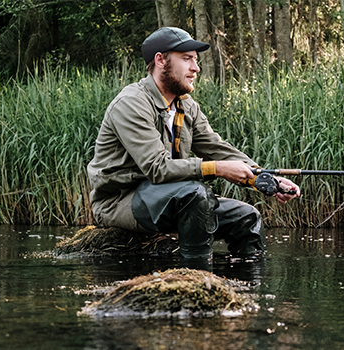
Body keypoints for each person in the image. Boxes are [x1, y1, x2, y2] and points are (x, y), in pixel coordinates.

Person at [87, 27, 299, 262]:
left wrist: (265, 178)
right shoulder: (131, 104)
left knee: (246, 217)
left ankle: (247, 293)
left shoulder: (186, 106)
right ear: (160, 60)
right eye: (187, 59)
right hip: (120, 202)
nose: (196, 69)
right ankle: (196, 279)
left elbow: (218, 149)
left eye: (195, 60)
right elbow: (157, 168)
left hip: (174, 198)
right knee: (195, 193)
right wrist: (216, 169)